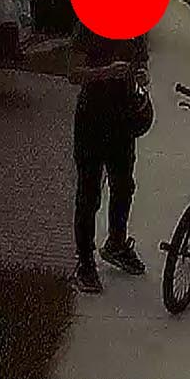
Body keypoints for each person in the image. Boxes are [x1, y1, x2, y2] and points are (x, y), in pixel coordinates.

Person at [67, 21, 151, 293]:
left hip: (123, 117)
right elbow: (73, 73)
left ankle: (116, 243)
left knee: (124, 185)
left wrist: (140, 75)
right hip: (91, 117)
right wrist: (106, 72)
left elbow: (141, 64)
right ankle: (85, 262)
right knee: (89, 192)